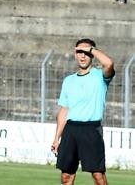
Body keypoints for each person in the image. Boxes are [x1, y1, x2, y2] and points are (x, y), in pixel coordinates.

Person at [51, 38, 115, 185]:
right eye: (79, 51)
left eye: (86, 52)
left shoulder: (100, 76)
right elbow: (64, 111)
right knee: (66, 176)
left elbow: (109, 63)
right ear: (75, 54)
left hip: (91, 129)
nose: (83, 55)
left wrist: (91, 49)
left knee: (98, 176)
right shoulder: (69, 80)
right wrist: (56, 138)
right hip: (71, 130)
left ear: (92, 54)